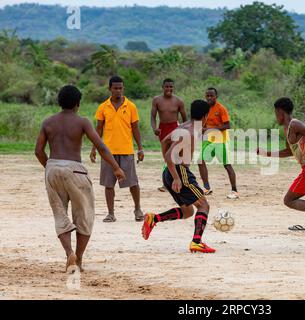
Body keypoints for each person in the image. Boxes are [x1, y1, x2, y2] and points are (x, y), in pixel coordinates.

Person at [35, 85, 125, 273]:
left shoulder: (48, 122)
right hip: (75, 169)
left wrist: (51, 167)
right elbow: (100, 146)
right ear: (78, 103)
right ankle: (79, 259)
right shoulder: (82, 122)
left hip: (52, 168)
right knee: (84, 215)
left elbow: (38, 151)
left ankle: (69, 253)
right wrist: (116, 168)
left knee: (60, 214)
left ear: (59, 102)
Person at [142, 100, 216, 254]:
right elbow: (170, 154)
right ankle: (196, 242)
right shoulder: (189, 133)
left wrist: (169, 167)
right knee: (203, 206)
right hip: (179, 172)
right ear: (205, 115)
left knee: (188, 212)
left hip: (170, 171)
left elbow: (164, 141)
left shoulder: (183, 127)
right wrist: (176, 176)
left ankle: (153, 219)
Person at [257, 97, 305, 230]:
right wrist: (266, 153)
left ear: (280, 112)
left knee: (289, 200)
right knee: (294, 199)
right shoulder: (288, 129)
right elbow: (289, 151)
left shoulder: (295, 124)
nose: (276, 116)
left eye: (276, 113)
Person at [90, 76, 145, 223]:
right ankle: (110, 213)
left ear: (123, 88)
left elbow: (135, 129)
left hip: (126, 150)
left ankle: (138, 209)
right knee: (109, 184)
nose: (118, 91)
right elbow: (99, 129)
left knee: (133, 183)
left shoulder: (131, 106)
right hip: (107, 152)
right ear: (110, 89)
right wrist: (94, 148)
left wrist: (140, 148)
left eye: (121, 88)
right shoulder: (103, 107)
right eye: (115, 88)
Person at [198, 88, 238, 199]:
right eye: (207, 96)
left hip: (221, 140)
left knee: (227, 165)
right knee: (200, 160)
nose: (209, 98)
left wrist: (210, 129)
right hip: (209, 140)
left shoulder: (221, 108)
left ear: (216, 96)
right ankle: (207, 188)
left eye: (211, 96)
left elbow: (227, 126)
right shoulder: (204, 109)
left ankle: (234, 190)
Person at [151, 78, 187, 192]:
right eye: (167, 87)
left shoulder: (178, 101)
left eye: (171, 87)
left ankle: (182, 181)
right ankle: (166, 183)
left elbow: (185, 119)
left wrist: (183, 131)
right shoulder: (156, 100)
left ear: (173, 87)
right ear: (163, 87)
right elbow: (152, 116)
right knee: (166, 157)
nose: (169, 89)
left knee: (177, 156)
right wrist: (154, 128)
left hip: (175, 128)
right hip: (163, 129)